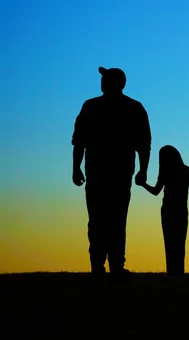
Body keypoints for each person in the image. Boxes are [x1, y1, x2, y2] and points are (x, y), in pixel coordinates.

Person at [72, 66, 151, 279]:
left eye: (105, 78)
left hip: (108, 172)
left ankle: (106, 265)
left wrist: (76, 167)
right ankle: (105, 264)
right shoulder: (131, 107)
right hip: (109, 172)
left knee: (104, 219)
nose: (102, 82)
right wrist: (76, 167)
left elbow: (144, 143)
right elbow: (144, 144)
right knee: (110, 219)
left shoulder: (94, 106)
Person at [138, 145, 189, 276]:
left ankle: (171, 270)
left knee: (169, 241)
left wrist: (143, 184)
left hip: (168, 210)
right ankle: (179, 270)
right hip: (181, 210)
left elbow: (156, 191)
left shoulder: (166, 172)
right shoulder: (187, 171)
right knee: (180, 241)